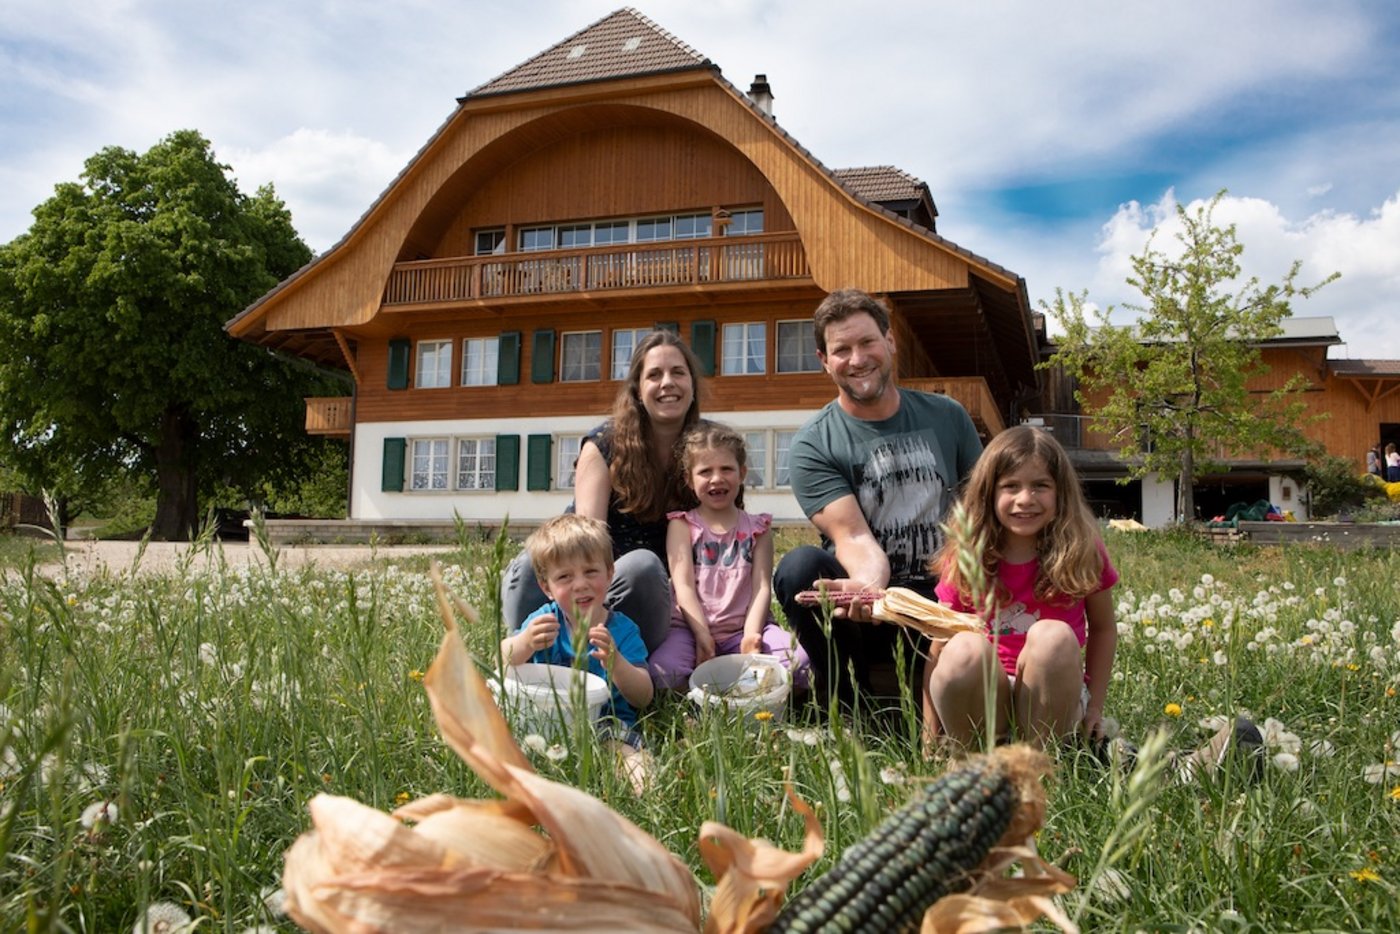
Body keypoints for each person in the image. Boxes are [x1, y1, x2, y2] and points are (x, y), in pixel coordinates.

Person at [773, 288, 984, 709]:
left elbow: (978, 515)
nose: (857, 358)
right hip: (868, 608)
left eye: (867, 342)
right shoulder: (813, 444)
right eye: (841, 349)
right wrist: (870, 590)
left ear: (890, 342)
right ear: (823, 360)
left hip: (943, 601)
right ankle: (849, 704)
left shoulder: (948, 416)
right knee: (800, 567)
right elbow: (851, 537)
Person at [501, 329, 704, 652]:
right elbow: (585, 541)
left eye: (678, 372)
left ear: (692, 384)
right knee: (531, 563)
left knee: (645, 567)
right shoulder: (604, 445)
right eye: (654, 374)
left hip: (651, 592)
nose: (668, 382)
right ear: (638, 389)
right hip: (588, 577)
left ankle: (629, 665)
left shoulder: (708, 451)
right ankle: (528, 661)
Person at [925, 425, 1118, 748]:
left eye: (1040, 486)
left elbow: (1104, 628)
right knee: (963, 648)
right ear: (989, 493)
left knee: (1053, 637)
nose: (1025, 499)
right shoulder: (967, 552)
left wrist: (1095, 706)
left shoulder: (1083, 549)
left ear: (1061, 493)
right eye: (1010, 486)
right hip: (985, 698)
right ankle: (976, 760)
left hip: (1053, 699)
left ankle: (1041, 765)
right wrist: (929, 732)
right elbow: (938, 649)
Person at [648, 423, 811, 690]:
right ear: (689, 479)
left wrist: (752, 636)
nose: (716, 478)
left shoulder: (758, 529)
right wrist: (702, 635)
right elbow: (683, 585)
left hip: (743, 630)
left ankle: (742, 683)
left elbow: (760, 588)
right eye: (705, 472)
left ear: (742, 473)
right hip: (689, 630)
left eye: (726, 469)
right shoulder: (682, 525)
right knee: (663, 674)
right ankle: (708, 694)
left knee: (800, 665)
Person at [501, 513, 654, 789]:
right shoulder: (544, 620)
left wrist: (617, 662)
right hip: (545, 722)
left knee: (632, 759)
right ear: (547, 587)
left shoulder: (622, 631)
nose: (580, 584)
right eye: (565, 577)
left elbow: (643, 696)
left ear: (609, 574)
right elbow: (502, 659)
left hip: (606, 724)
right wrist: (524, 641)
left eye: (590, 572)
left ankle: (647, 802)